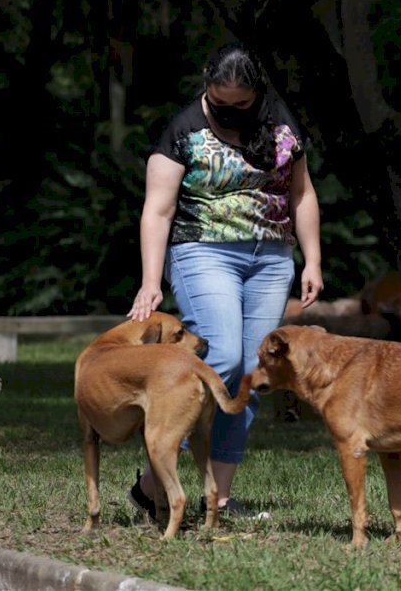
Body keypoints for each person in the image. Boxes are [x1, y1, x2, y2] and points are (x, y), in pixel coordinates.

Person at [126, 40, 323, 519]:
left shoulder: (281, 125)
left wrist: (312, 260)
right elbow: (158, 209)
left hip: (272, 258)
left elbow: (302, 194)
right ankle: (157, 478)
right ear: (206, 85)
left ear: (257, 92)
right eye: (221, 102)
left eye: (242, 104)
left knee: (252, 376)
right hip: (203, 253)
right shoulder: (183, 130)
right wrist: (151, 280)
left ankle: (218, 498)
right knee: (223, 357)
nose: (231, 111)